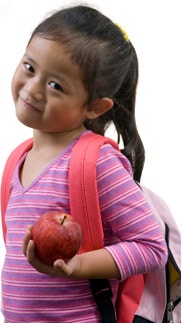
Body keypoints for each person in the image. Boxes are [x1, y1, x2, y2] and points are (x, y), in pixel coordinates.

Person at [1, 5, 168, 322]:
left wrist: (79, 266)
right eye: (29, 67)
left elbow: (151, 247)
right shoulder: (17, 160)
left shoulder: (97, 162)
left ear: (94, 107)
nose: (33, 89)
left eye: (56, 85)